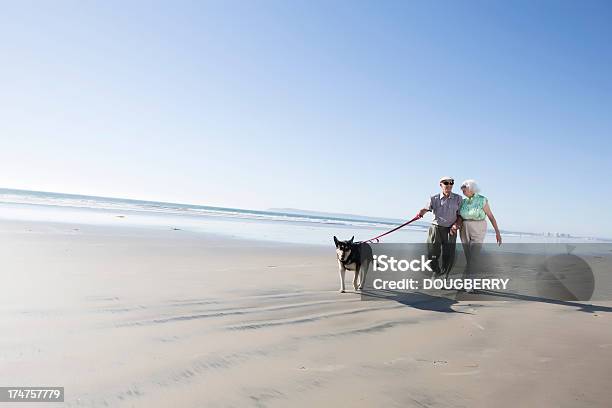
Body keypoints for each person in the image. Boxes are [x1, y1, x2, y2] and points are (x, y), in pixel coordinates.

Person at [459, 179, 502, 288]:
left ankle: (470, 283)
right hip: (464, 228)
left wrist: (497, 232)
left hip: (479, 227)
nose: (463, 193)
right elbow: (459, 216)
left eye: (464, 190)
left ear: (471, 189)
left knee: (474, 256)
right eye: (462, 191)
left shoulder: (482, 200)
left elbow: (491, 217)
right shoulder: (463, 201)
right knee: (469, 257)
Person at [418, 176, 463, 278]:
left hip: (451, 230)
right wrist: (422, 212)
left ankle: (444, 275)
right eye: (446, 183)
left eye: (451, 183)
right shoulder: (434, 198)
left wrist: (456, 225)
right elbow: (426, 208)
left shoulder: (458, 198)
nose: (449, 185)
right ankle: (436, 270)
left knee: (448, 254)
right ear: (441, 185)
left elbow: (460, 215)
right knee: (432, 253)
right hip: (436, 228)